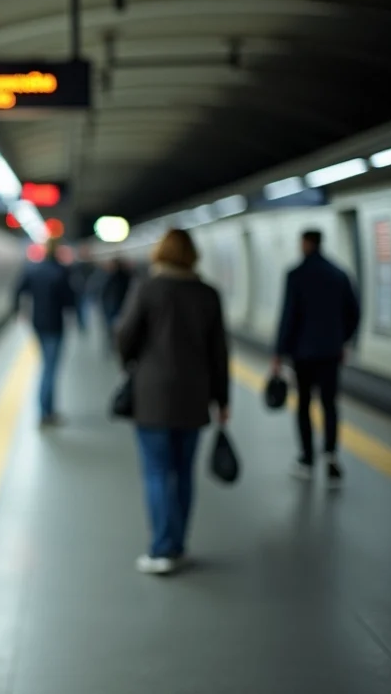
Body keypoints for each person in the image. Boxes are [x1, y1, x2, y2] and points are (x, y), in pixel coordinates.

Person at [116, 229, 229, 575]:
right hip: (194, 396)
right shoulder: (208, 294)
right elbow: (219, 352)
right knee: (183, 473)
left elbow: (125, 335)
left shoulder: (148, 289)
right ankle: (178, 546)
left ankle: (162, 549)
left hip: (153, 396)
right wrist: (222, 399)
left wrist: (132, 363)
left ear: (160, 254)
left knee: (156, 472)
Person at [271, 229, 360, 486]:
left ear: (305, 244)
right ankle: (331, 455)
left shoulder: (296, 275)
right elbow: (354, 312)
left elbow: (288, 316)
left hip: (303, 354)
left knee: (304, 404)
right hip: (331, 352)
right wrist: (342, 340)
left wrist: (279, 352)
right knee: (330, 403)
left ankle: (307, 460)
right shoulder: (339, 274)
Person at [13, 238, 84, 425]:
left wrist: (16, 311)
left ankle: (47, 409)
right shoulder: (61, 272)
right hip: (55, 324)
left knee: (46, 365)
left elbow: (18, 290)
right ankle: (46, 412)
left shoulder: (33, 270)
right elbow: (70, 300)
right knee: (50, 368)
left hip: (37, 323)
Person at [100, 257, 133, 345]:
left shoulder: (108, 277)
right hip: (121, 307)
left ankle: (113, 343)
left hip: (112, 308)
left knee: (111, 328)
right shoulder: (128, 277)